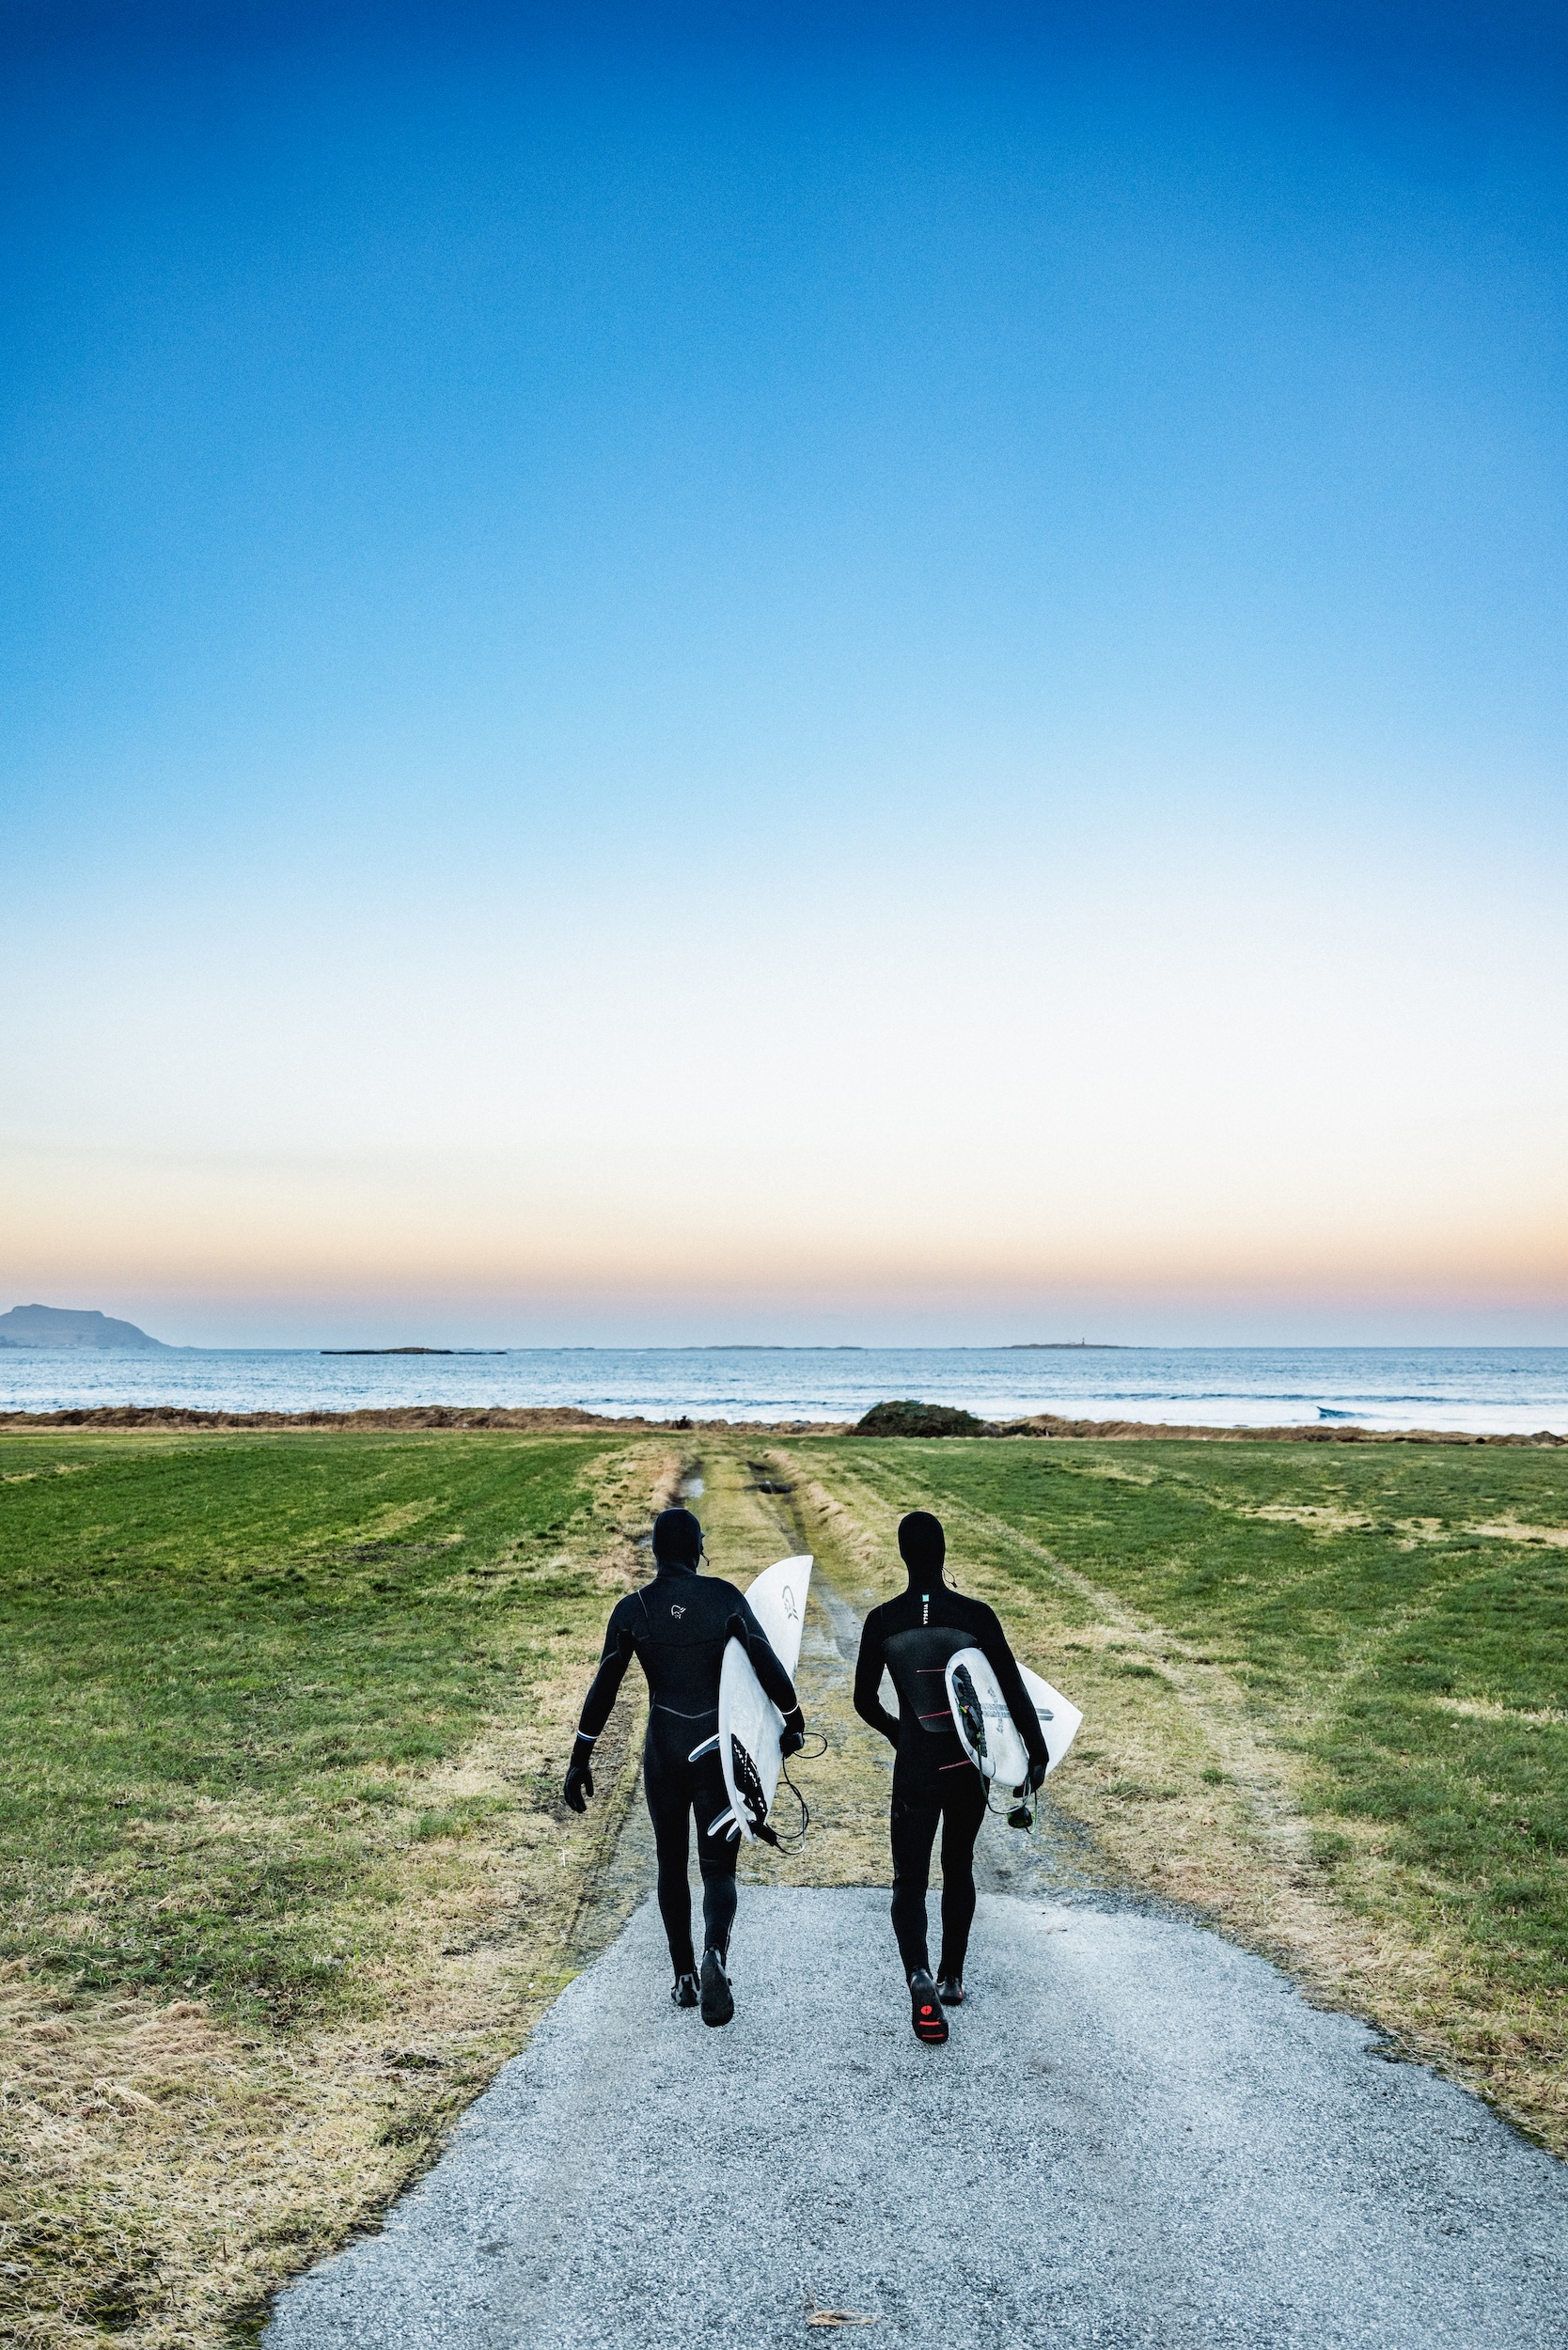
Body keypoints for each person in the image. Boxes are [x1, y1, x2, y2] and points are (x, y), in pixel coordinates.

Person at [562, 1505, 806, 2027]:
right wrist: (793, 1719)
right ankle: (715, 1953)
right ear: (699, 1547)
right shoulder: (723, 1597)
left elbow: (605, 1685)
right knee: (718, 1867)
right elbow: (766, 1663)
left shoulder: (634, 1609)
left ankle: (684, 1977)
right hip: (716, 1751)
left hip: (664, 1749)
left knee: (671, 1863)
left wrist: (581, 1755)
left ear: (655, 1551)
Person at [853, 1509, 1047, 2044]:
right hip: (967, 1764)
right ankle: (952, 1977)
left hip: (915, 1762)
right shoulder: (975, 1615)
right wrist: (1035, 1754)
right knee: (958, 1864)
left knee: (909, 1879)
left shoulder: (882, 1620)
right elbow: (1010, 1689)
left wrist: (899, 1733)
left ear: (902, 1555)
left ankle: (917, 1975)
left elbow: (863, 1702)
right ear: (943, 1553)